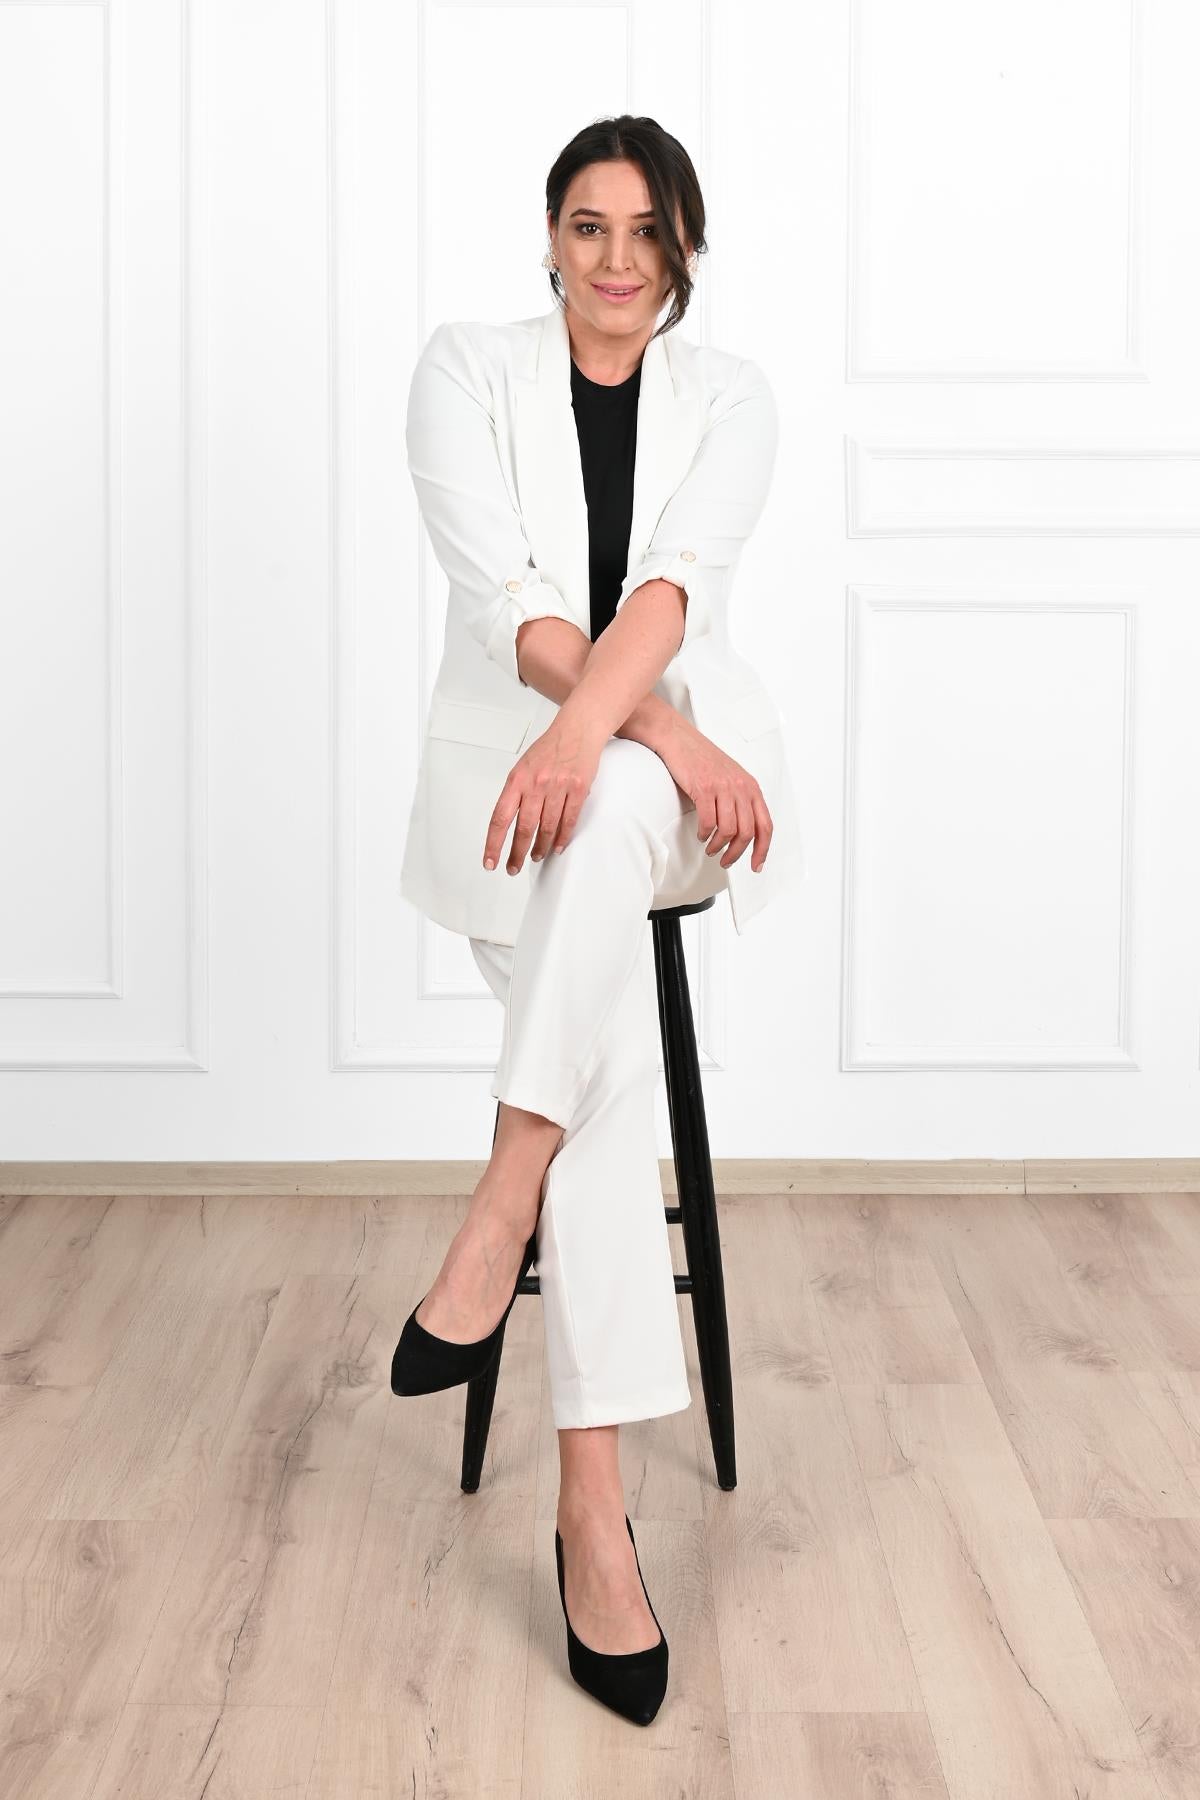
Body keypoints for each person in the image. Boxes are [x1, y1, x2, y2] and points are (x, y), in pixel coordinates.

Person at [391, 114, 805, 1725]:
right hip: (521, 811)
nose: (617, 260)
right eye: (588, 226)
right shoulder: (462, 371)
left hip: (652, 811)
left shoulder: (733, 398)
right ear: (550, 238)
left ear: (682, 250)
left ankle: (498, 1206)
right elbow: (514, 606)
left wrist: (626, 745)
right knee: (609, 1061)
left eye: (647, 232)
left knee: (624, 800)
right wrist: (651, 738)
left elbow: (666, 600)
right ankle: (593, 1521)